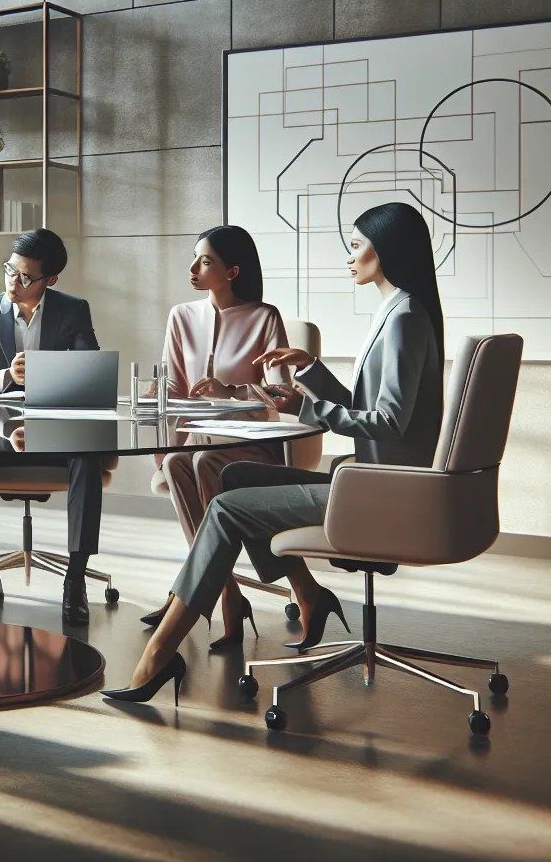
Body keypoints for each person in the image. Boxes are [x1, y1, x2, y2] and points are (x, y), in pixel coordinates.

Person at [105, 202, 445, 702]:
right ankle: (307, 592)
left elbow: (389, 423)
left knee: (223, 505)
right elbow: (367, 407)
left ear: (386, 250)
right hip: (368, 480)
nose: (349, 257)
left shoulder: (404, 319)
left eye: (356, 246)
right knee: (235, 479)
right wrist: (309, 371)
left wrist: (309, 411)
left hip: (380, 490)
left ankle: (160, 652)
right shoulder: (395, 311)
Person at [145, 225, 291, 639]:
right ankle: (226, 589)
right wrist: (163, 447)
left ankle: (204, 595)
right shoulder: (181, 316)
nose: (193, 267)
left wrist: (233, 391)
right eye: (194, 257)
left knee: (206, 462)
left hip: (250, 448)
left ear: (232, 272)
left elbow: (280, 396)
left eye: (205, 261)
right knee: (176, 462)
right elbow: (171, 387)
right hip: (196, 445)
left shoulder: (265, 318)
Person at [0, 228, 105, 626]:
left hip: (57, 426)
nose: (14, 282)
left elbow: (88, 371)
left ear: (50, 280)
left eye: (25, 277)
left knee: (87, 455)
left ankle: (75, 579)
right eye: (11, 271)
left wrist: (41, 374)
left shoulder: (73, 310)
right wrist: (6, 375)